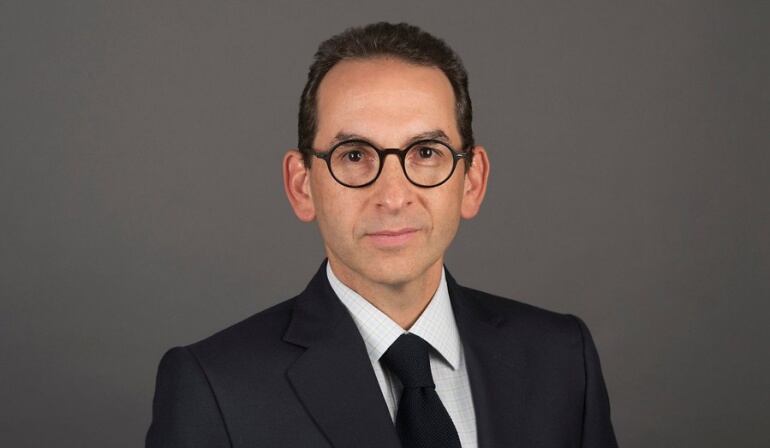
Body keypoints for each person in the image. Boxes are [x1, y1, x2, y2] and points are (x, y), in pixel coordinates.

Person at [146, 22, 619, 448]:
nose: (393, 196)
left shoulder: (562, 359)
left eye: (426, 152)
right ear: (302, 185)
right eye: (354, 155)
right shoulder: (215, 388)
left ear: (471, 182)